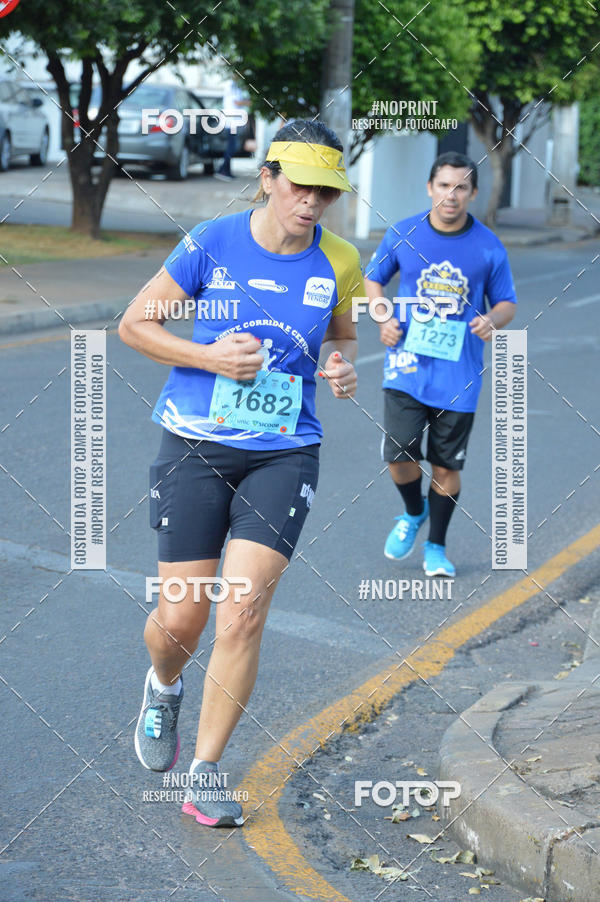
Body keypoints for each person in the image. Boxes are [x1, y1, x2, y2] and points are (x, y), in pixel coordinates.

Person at [118, 119, 363, 827]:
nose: (312, 202)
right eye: (300, 186)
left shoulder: (341, 260)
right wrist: (209, 357)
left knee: (245, 607)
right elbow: (135, 324)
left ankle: (206, 772)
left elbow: (340, 341)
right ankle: (164, 685)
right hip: (193, 445)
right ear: (268, 177)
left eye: (326, 191)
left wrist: (340, 368)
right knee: (180, 619)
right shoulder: (212, 244)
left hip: (286, 450)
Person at [364, 151, 517, 578]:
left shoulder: (488, 246)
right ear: (431, 187)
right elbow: (373, 278)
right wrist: (382, 317)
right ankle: (414, 512)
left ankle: (436, 546)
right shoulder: (403, 233)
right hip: (407, 365)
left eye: (461, 187)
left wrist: (493, 319)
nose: (451, 195)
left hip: (459, 375)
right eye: (444, 185)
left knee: (447, 466)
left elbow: (507, 302)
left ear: (473, 194)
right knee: (399, 454)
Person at [214, 79, 249, 181]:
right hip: (231, 121)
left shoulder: (235, 85)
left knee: (231, 147)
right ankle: (223, 170)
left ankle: (225, 170)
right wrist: (249, 102)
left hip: (233, 121)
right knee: (231, 148)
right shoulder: (231, 85)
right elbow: (237, 102)